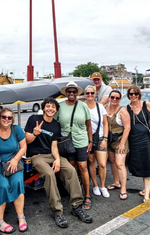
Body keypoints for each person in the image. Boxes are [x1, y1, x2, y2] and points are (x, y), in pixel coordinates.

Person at [25, 98, 93, 228]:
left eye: (53, 107)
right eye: (48, 106)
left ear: (56, 110)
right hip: (37, 156)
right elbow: (26, 140)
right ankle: (57, 211)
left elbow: (54, 145)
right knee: (49, 174)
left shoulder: (55, 125)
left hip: (51, 154)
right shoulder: (34, 119)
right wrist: (35, 134)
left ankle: (77, 205)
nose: (50, 109)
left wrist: (57, 159)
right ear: (44, 108)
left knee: (71, 170)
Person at [54, 81, 93, 210]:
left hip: (81, 140)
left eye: (74, 92)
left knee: (83, 167)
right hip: (66, 141)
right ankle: (75, 194)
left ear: (77, 93)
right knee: (72, 168)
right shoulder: (59, 106)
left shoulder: (83, 106)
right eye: (69, 91)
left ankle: (87, 195)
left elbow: (88, 125)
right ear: (66, 93)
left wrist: (91, 141)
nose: (71, 94)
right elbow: (54, 123)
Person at [126, 85, 150, 202]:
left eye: (135, 94)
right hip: (135, 141)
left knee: (149, 165)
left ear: (139, 94)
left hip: (149, 139)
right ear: (128, 95)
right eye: (131, 94)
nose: (133, 96)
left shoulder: (146, 105)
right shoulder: (127, 108)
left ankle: (146, 194)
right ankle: (145, 189)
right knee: (142, 165)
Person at [0, 108, 28, 233]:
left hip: (14, 163)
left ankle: (21, 217)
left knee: (17, 182)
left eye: (9, 117)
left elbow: (23, 147)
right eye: (3, 117)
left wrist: (15, 159)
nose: (6, 119)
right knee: (2, 186)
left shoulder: (16, 129)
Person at [84, 85, 110, 198]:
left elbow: (105, 123)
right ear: (85, 94)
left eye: (92, 93)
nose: (90, 95)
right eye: (88, 93)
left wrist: (105, 138)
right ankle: (95, 185)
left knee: (102, 164)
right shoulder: (82, 106)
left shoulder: (100, 107)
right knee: (91, 162)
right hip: (86, 138)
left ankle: (102, 185)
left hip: (99, 137)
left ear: (95, 94)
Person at [105, 90, 131, 200]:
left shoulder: (123, 111)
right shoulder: (105, 108)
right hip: (110, 139)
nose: (114, 100)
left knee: (120, 164)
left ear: (120, 99)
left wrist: (122, 144)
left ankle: (123, 188)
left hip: (120, 139)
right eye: (112, 97)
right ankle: (116, 182)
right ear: (109, 98)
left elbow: (127, 128)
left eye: (117, 98)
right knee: (112, 161)